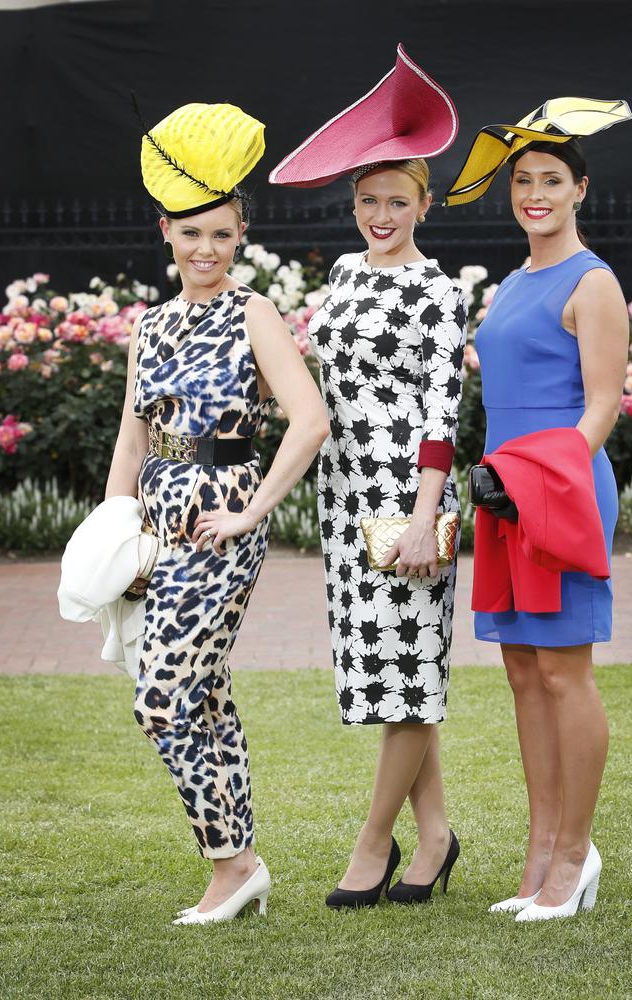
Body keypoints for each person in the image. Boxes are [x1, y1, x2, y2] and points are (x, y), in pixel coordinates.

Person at [106, 101, 328, 924]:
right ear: (166, 231)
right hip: (158, 523)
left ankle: (231, 865)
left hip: (221, 521)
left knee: (160, 694)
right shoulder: (151, 326)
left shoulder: (253, 314)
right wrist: (114, 536)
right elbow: (131, 442)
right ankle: (242, 864)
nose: (206, 250)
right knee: (202, 698)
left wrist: (252, 511)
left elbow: (309, 420)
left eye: (222, 236)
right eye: (191, 233)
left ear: (240, 239)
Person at [270, 45, 467, 908]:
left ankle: (373, 843)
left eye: (397, 200)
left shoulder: (437, 290)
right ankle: (436, 838)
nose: (380, 215)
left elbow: (439, 415)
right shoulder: (345, 273)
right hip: (346, 496)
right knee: (390, 675)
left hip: (406, 503)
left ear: (424, 204)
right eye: (367, 201)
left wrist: (425, 517)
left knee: (409, 671)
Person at [444, 97, 632, 921]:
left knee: (564, 672)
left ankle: (574, 854)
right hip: (506, 489)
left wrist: (541, 478)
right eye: (523, 180)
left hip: (558, 489)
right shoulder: (515, 281)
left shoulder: (593, 281)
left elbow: (601, 407)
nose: (534, 193)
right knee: (523, 673)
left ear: (580, 189)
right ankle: (539, 850)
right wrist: (497, 477)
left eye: (551, 179)